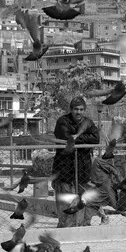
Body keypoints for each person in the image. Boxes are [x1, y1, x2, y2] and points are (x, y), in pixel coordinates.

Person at [52, 96, 101, 227]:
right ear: (71, 109)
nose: (78, 112)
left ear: (84, 110)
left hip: (83, 168)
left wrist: (77, 137)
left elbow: (96, 139)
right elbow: (66, 137)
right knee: (66, 203)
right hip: (65, 169)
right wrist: (84, 138)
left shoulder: (88, 122)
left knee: (83, 201)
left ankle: (83, 227)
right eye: (75, 109)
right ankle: (65, 227)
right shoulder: (62, 121)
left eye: (81, 109)